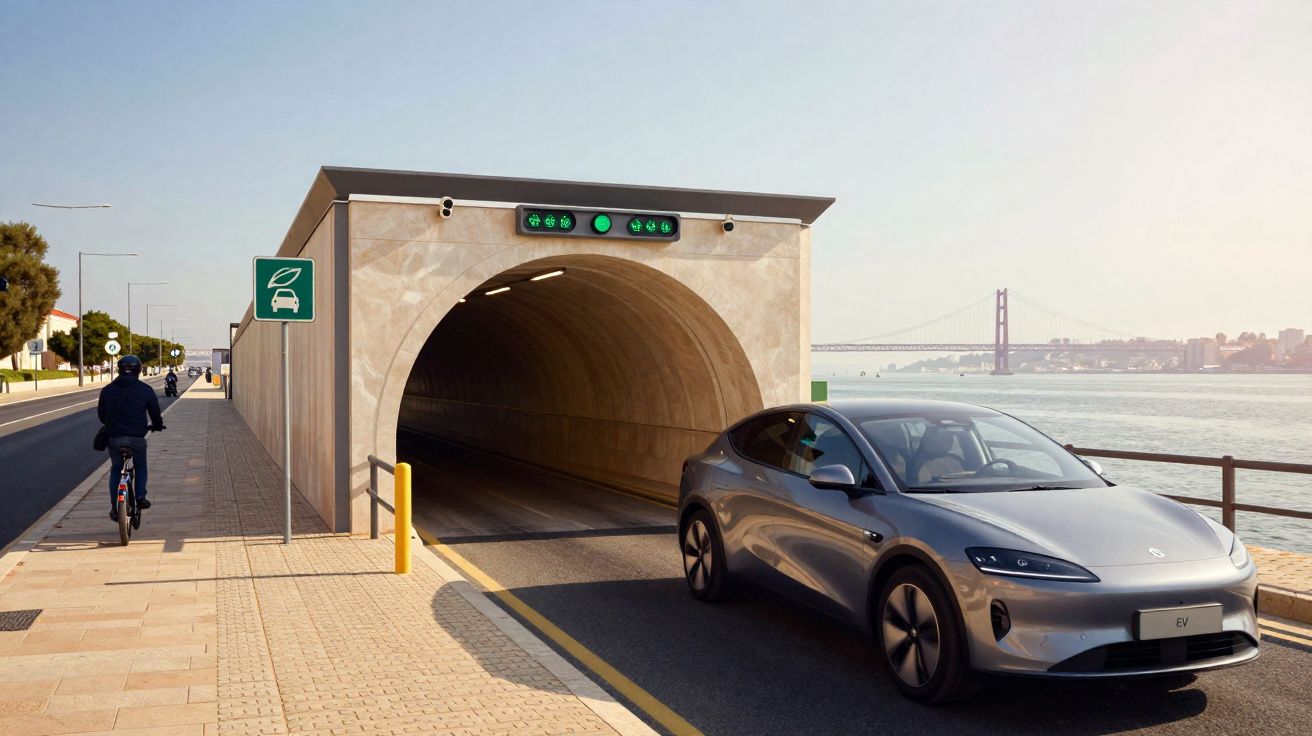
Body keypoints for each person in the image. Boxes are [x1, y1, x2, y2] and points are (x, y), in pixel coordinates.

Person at [98, 355, 165, 521]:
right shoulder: (145, 390)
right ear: (138, 370)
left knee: (116, 469)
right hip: (136, 438)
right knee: (140, 465)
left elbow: (102, 415)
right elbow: (155, 413)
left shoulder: (107, 390)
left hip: (114, 438)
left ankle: (115, 506)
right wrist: (157, 425)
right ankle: (140, 497)